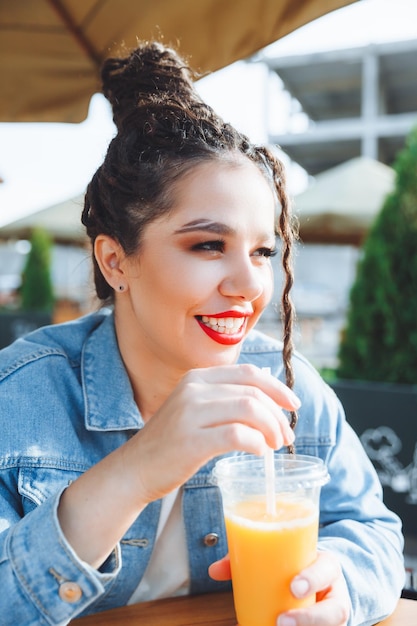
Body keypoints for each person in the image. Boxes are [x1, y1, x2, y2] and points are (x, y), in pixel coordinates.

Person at [0, 41, 404, 626]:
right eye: (208, 245)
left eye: (263, 250)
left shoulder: (287, 388)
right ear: (116, 262)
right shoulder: (21, 397)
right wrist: (137, 469)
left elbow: (371, 528)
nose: (248, 283)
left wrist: (340, 584)